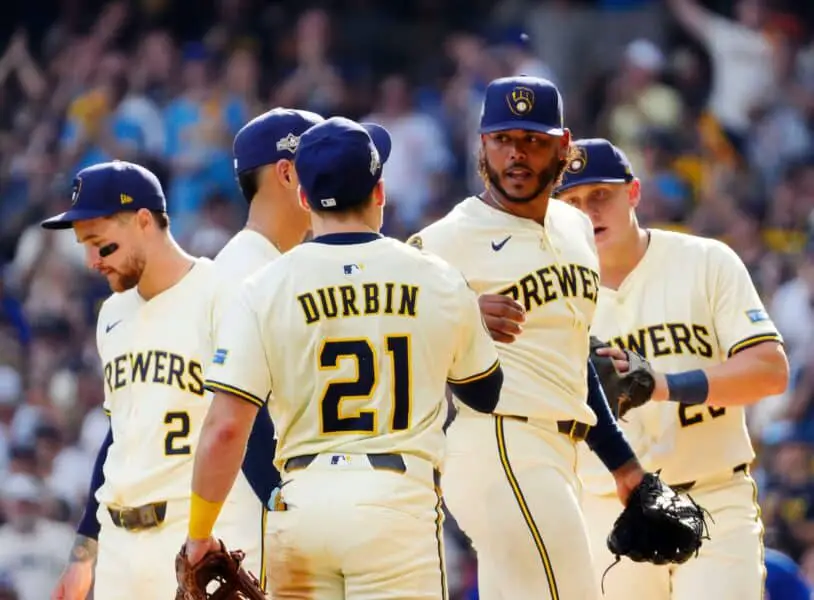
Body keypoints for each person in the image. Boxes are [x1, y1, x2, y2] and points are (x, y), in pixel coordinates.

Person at [181, 116, 505, 600]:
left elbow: (226, 428)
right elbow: (484, 392)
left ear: (306, 198)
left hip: (302, 505)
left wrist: (200, 534)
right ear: (379, 193)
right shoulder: (436, 277)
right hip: (396, 504)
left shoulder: (265, 286)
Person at [407, 76, 647, 600]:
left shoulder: (575, 228)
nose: (516, 155)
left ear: (563, 146)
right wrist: (456, 313)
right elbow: (385, 333)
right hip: (498, 441)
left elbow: (570, 356)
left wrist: (623, 463)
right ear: (483, 145)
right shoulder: (445, 239)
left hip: (560, 450)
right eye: (503, 139)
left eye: (533, 141)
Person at [553, 138, 789, 600]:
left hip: (714, 493)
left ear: (634, 192)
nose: (589, 211)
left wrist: (662, 385)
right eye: (573, 202)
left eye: (601, 194)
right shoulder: (553, 295)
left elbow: (770, 370)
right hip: (606, 507)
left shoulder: (705, 262)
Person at [44, 161, 268, 600]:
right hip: (120, 546)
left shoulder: (221, 295)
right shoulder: (112, 313)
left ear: (144, 221)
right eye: (84, 247)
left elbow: (251, 427)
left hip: (197, 540)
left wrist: (282, 516)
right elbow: (119, 436)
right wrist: (84, 552)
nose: (92, 261)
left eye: (102, 245)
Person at [213, 107, 324, 513]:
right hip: (259, 520)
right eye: (322, 165)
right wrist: (282, 503)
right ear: (287, 174)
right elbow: (239, 414)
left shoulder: (274, 263)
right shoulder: (245, 271)